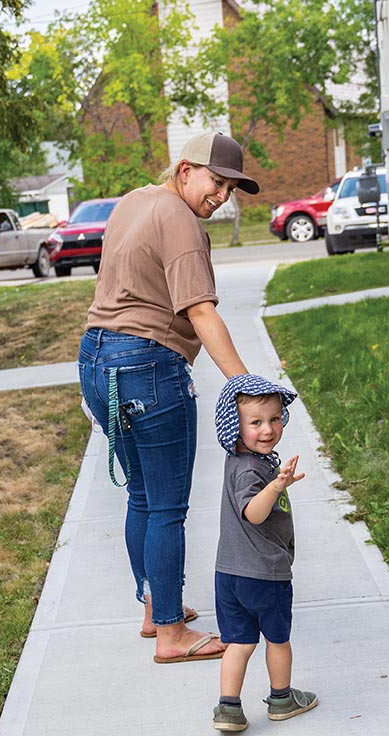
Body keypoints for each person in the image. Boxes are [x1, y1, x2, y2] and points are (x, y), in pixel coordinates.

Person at [78, 132, 261, 664]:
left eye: (230, 188)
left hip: (96, 357)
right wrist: (247, 388)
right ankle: (171, 635)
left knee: (141, 494)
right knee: (166, 507)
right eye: (216, 181)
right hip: (148, 366)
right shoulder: (181, 220)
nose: (222, 196)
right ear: (185, 171)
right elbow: (200, 312)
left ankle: (155, 607)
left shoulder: (133, 202)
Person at [211, 374, 317, 732]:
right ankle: (282, 698)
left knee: (238, 643)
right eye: (255, 422)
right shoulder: (252, 470)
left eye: (274, 419)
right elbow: (254, 513)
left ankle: (228, 708)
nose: (268, 429)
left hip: (229, 573)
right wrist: (276, 485)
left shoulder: (242, 459)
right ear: (234, 426)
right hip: (263, 573)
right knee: (277, 639)